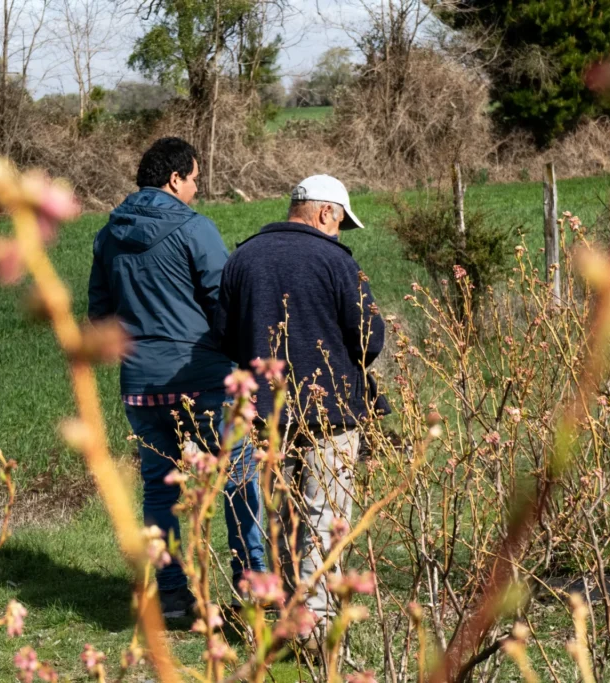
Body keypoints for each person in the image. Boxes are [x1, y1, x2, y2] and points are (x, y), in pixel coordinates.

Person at [87, 137, 266, 618]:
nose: (196, 189)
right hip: (202, 375)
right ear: (174, 179)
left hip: (141, 385)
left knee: (160, 488)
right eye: (194, 180)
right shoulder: (194, 229)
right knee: (240, 476)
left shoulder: (108, 236)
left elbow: (99, 318)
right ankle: (254, 586)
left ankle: (169, 595)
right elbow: (223, 301)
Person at [213, 174, 387, 623]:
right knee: (324, 517)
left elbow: (224, 335)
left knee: (284, 520)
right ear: (326, 212)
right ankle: (316, 625)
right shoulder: (336, 261)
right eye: (340, 222)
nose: (338, 232)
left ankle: (292, 614)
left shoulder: (242, 258)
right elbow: (371, 340)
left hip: (268, 415)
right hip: (332, 411)